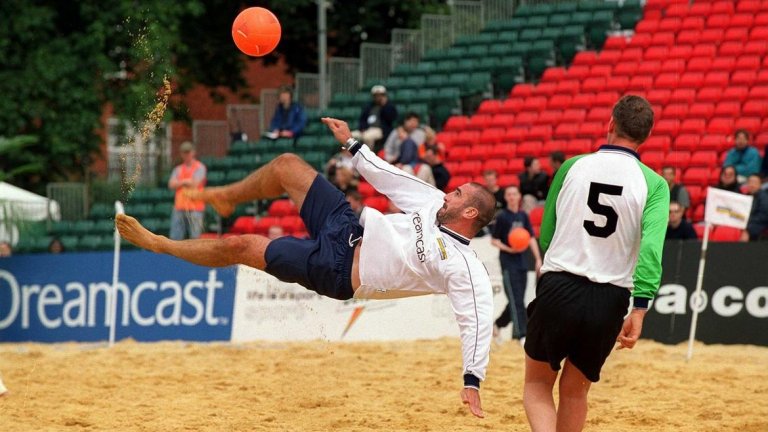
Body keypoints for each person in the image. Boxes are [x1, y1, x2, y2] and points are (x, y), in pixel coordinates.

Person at [115, 117, 497, 418]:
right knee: (287, 165)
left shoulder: (464, 264)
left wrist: (471, 378)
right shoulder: (434, 203)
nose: (449, 193)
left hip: (338, 270)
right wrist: (351, 143)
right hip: (347, 227)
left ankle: (161, 245)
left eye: (458, 194)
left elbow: (475, 318)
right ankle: (227, 198)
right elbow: (391, 179)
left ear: (469, 212)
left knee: (242, 245)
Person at [524, 95, 669, 432]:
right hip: (610, 297)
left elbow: (547, 233)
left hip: (560, 283)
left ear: (610, 125)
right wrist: (641, 307)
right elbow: (650, 250)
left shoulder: (572, 166)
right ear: (645, 137)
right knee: (575, 393)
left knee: (536, 386)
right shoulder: (655, 185)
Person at [491, 185, 542, 345]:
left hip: (522, 262)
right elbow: (494, 240)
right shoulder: (502, 217)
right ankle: (522, 335)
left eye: (514, 194)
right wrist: (509, 249)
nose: (512, 197)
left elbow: (531, 238)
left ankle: (498, 324)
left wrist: (538, 258)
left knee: (517, 299)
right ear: (506, 197)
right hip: (508, 263)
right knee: (517, 301)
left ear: (519, 196)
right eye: (509, 194)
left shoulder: (523, 216)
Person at [168, 141, 207, 240]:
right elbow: (171, 184)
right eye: (184, 152)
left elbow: (195, 184)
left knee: (195, 238)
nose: (186, 155)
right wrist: (186, 181)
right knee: (175, 238)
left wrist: (179, 182)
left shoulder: (200, 167)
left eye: (188, 152)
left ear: (193, 152)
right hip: (180, 207)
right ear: (181, 154)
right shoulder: (178, 169)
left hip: (195, 207)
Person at [351, 85, 398, 152]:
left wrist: (384, 105)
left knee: (367, 137)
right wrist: (362, 128)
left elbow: (390, 118)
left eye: (380, 95)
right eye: (376, 95)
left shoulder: (389, 106)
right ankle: (350, 156)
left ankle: (368, 156)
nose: (378, 97)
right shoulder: (369, 106)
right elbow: (362, 119)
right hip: (367, 129)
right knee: (350, 136)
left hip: (380, 129)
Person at [742, 175, 768, 241]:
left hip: (755, 233)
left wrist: (748, 231)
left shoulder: (764, 198)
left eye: (755, 182)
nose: (752, 185)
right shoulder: (745, 196)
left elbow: (762, 218)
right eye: (750, 182)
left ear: (760, 185)